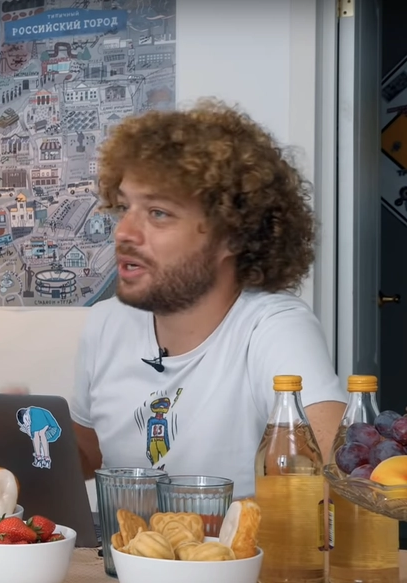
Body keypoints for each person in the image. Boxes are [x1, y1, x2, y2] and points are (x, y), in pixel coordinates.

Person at [69, 99, 346, 500]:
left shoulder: (274, 327)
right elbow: (91, 453)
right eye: (125, 207)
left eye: (158, 212)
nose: (123, 232)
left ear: (232, 235)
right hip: (122, 543)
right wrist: (29, 438)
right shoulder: (105, 323)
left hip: (237, 543)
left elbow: (334, 476)